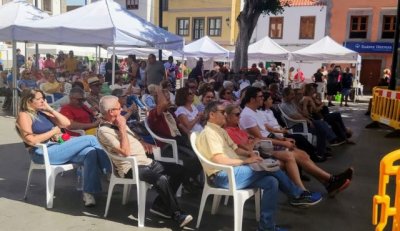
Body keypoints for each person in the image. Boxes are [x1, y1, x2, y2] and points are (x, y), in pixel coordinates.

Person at [196, 101, 322, 231]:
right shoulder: (209, 133)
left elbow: (236, 149)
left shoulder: (219, 131)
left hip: (234, 172)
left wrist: (249, 154)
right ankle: (297, 195)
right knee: (269, 166)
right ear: (212, 114)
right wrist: (245, 161)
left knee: (271, 181)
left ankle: (266, 227)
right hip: (222, 175)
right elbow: (218, 159)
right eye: (222, 112)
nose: (225, 115)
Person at [97, 95, 193, 228]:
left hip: (146, 161)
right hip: (130, 167)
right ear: (111, 112)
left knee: (179, 169)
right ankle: (177, 214)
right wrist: (123, 128)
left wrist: (142, 142)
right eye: (119, 108)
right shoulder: (104, 130)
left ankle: (160, 205)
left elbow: (134, 136)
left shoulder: (118, 123)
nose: (122, 110)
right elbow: (125, 152)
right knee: (161, 179)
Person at [241, 87, 353, 196]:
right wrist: (283, 142)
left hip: (269, 143)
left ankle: (329, 181)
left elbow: (267, 129)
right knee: (294, 156)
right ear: (252, 99)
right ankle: (317, 185)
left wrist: (283, 138)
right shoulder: (247, 115)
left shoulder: (255, 112)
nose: (262, 98)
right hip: (261, 148)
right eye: (260, 96)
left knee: (303, 154)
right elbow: (260, 138)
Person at [16, 89, 110, 207]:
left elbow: (66, 124)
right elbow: (30, 140)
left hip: (57, 146)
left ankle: (89, 192)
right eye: (39, 99)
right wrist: (53, 132)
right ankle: (110, 170)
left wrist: (50, 109)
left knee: (90, 152)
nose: (43, 101)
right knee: (90, 139)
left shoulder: (44, 112)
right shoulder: (24, 115)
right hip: (41, 152)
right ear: (29, 101)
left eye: (43, 98)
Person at [147, 87, 202, 190]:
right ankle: (186, 182)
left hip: (179, 142)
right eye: (167, 100)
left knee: (200, 154)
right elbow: (162, 104)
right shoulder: (154, 113)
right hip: (168, 146)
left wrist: (189, 133)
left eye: (169, 99)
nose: (169, 102)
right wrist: (159, 89)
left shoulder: (170, 113)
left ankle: (189, 179)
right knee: (192, 158)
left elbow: (180, 125)